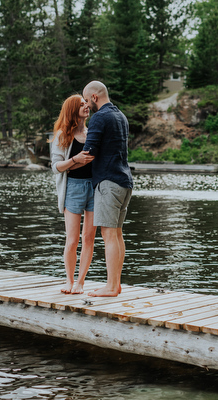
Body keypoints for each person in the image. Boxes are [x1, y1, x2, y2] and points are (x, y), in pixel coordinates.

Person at [80, 81, 133, 297]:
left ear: (94, 97)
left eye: (86, 100)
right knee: (117, 234)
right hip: (124, 180)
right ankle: (116, 284)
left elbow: (89, 151)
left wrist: (67, 164)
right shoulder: (121, 116)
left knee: (108, 234)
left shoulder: (100, 117)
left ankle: (111, 287)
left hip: (108, 182)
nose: (86, 104)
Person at [50, 94, 96, 294]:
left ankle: (81, 283)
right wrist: (74, 160)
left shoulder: (92, 132)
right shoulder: (62, 135)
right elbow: (56, 166)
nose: (86, 106)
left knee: (89, 238)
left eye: (86, 103)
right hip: (73, 188)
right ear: (72, 110)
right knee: (72, 239)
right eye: (81, 104)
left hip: (94, 188)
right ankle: (69, 281)